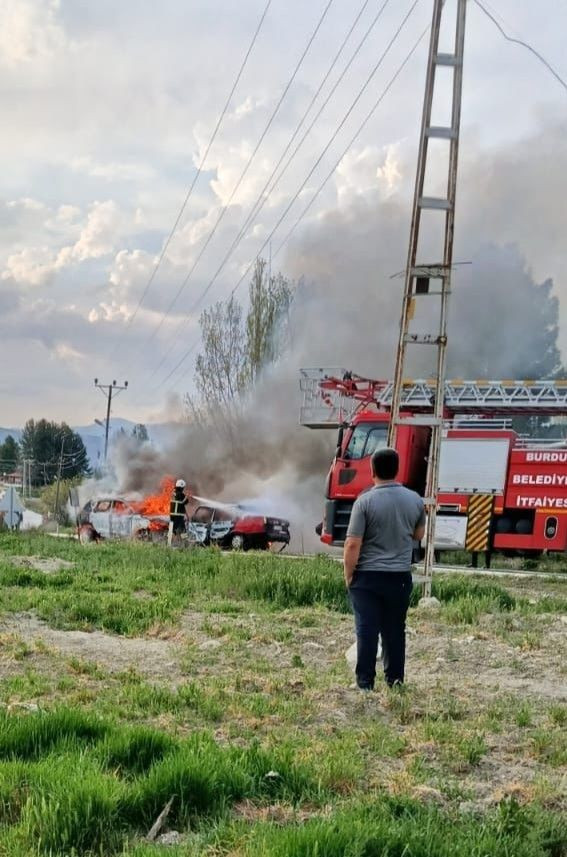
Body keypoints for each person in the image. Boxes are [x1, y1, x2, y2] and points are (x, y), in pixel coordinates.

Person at [343, 447, 425, 691]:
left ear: (372, 471)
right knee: (395, 631)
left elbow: (352, 543)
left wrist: (349, 574)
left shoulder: (364, 501)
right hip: (399, 576)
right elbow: (418, 534)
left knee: (367, 630)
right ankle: (395, 682)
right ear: (397, 469)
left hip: (367, 577)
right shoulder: (415, 500)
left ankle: (365, 684)